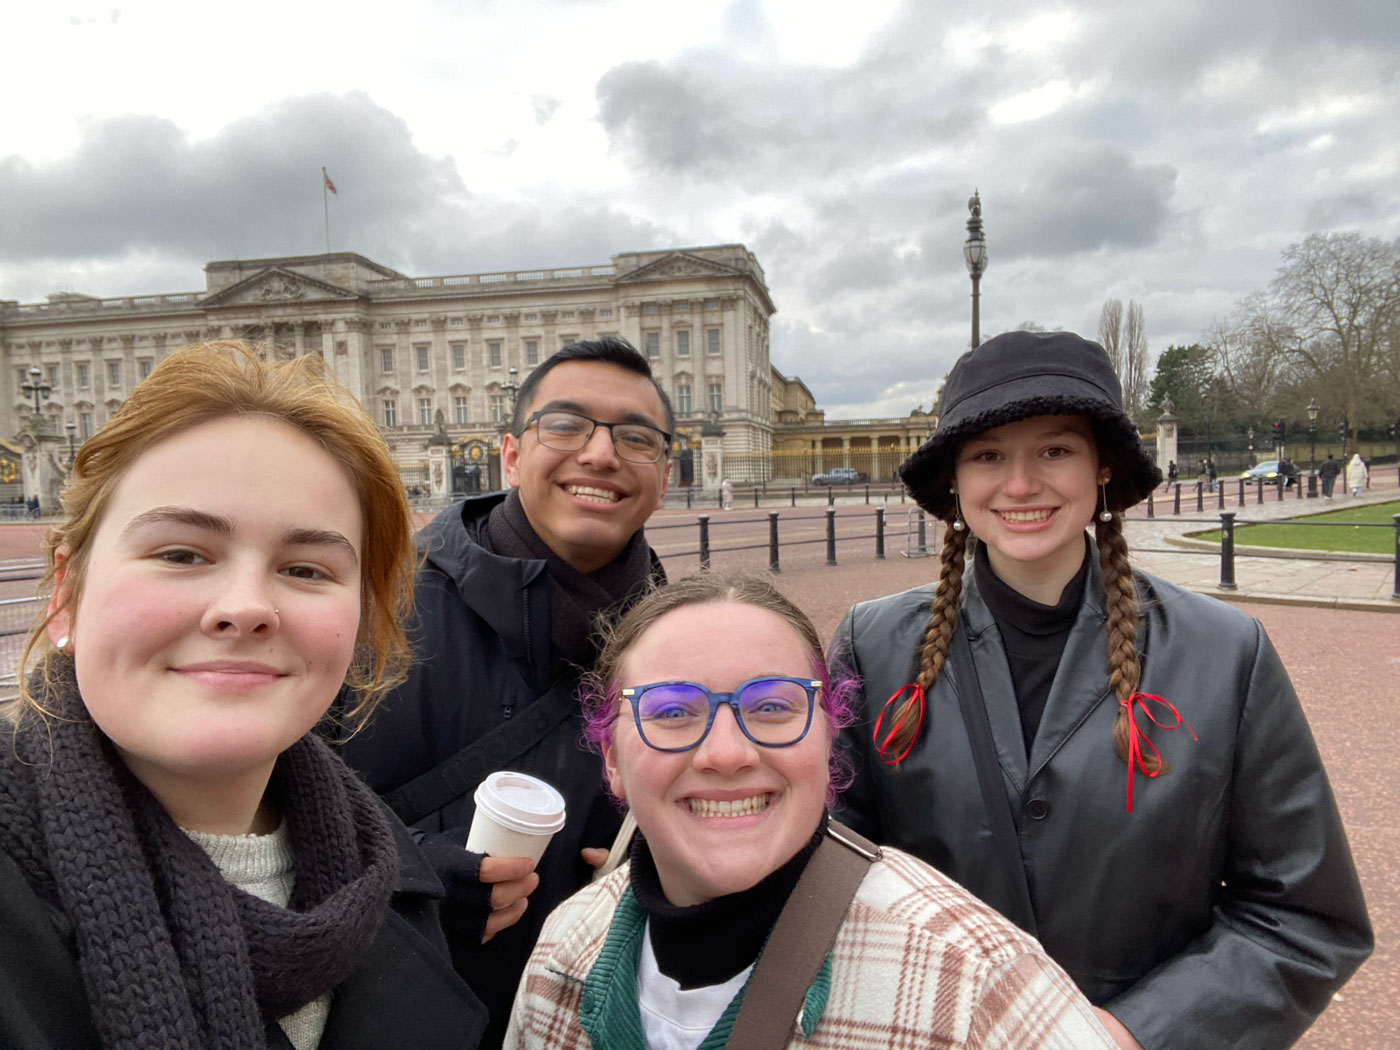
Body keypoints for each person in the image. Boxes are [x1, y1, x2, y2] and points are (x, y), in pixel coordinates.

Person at [831, 330, 1372, 1050]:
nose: (1020, 485)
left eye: (1055, 450)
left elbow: (1305, 916)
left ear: (1102, 467)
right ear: (955, 482)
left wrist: (1131, 1034)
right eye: (988, 455)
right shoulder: (872, 643)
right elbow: (825, 872)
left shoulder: (1227, 651)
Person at [0, 343, 485, 1050]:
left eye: (306, 568)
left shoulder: (386, 878)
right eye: (181, 554)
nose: (246, 607)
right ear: (69, 593)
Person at [505, 573, 1118, 1049]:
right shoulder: (563, 947)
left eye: (772, 706)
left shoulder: (976, 982)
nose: (727, 753)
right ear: (611, 756)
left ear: (829, 737)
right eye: (670, 712)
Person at [338, 335, 673, 1048]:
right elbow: (254, 806)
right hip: (385, 1007)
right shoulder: (368, 600)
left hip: (583, 1016)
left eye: (635, 437)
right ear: (512, 454)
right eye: (566, 425)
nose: (601, 454)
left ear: (664, 473)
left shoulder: (679, 634)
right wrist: (410, 873)